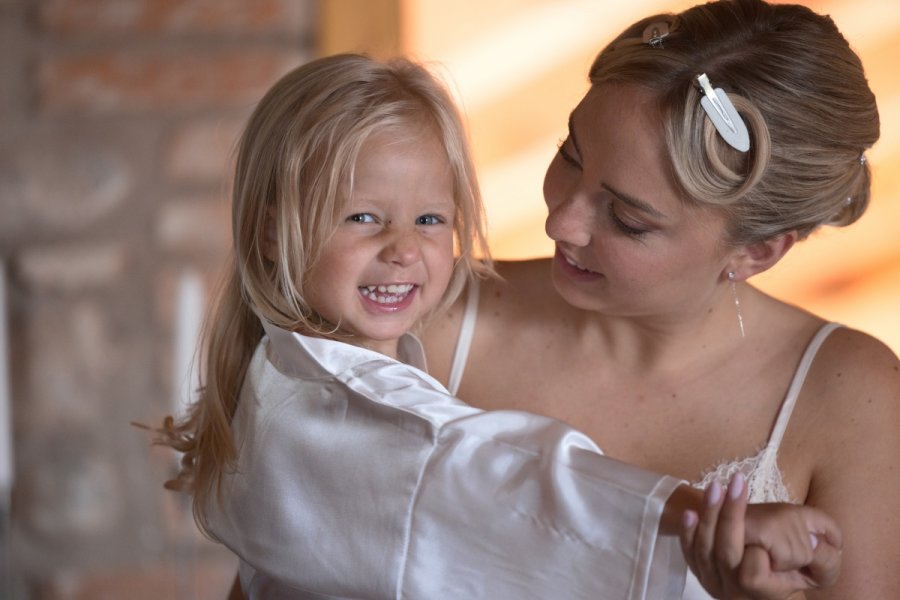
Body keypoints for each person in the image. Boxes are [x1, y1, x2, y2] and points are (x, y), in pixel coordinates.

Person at [153, 52, 840, 600]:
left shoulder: (324, 370)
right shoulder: (326, 399)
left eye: (430, 219)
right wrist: (690, 515)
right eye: (362, 217)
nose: (402, 248)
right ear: (273, 234)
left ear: (757, 251)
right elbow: (493, 475)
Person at [416, 0, 900, 598]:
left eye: (626, 217)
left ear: (756, 253)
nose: (561, 223)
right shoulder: (433, 314)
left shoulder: (854, 396)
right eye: (571, 155)